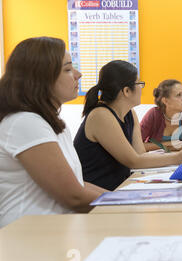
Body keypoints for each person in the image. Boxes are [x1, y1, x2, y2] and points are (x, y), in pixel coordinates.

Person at [0, 37, 106, 228]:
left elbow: (78, 185)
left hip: (53, 231)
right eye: (67, 69)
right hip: (27, 239)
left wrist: (124, 198)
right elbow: (73, 196)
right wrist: (129, 204)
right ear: (40, 78)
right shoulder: (25, 122)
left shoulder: (53, 124)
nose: (78, 74)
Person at [73, 61, 182, 191]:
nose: (142, 88)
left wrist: (179, 157)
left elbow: (140, 154)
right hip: (96, 194)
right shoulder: (101, 115)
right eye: (139, 83)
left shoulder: (130, 113)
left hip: (118, 188)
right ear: (127, 91)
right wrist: (177, 158)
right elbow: (134, 161)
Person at [140, 79, 182, 152]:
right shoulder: (153, 114)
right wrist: (170, 144)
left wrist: (159, 145)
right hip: (156, 160)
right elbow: (136, 145)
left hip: (181, 160)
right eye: (178, 95)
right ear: (165, 101)